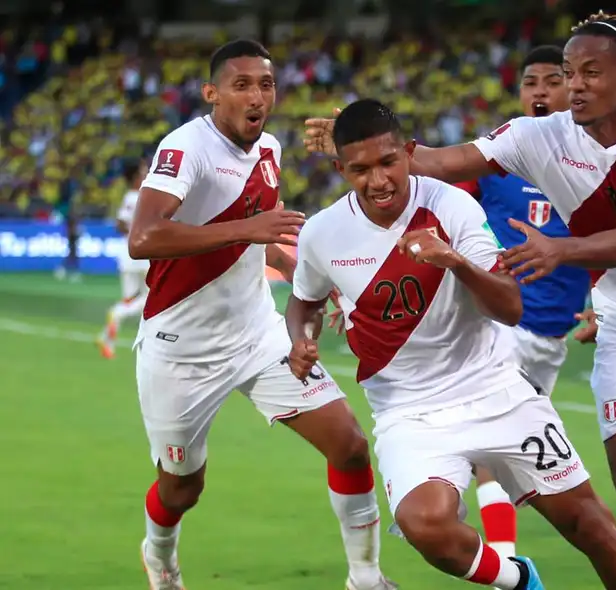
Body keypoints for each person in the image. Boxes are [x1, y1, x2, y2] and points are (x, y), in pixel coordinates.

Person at [302, 11, 616, 590]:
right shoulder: (536, 137)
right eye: (567, 72)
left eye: (589, 73)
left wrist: (558, 251)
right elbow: (440, 161)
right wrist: (370, 144)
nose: (573, 85)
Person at [288, 98, 616, 590]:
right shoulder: (322, 233)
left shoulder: (451, 204)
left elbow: (509, 307)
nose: (378, 180)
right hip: (409, 413)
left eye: (388, 163)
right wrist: (300, 340)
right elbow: (304, 302)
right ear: (339, 169)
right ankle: (518, 580)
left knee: (591, 526)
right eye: (360, 169)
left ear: (409, 152)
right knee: (426, 527)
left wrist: (456, 262)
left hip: (497, 391)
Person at [128, 40, 393, 590]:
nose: (256, 95)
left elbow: (267, 243)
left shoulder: (269, 149)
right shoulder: (185, 148)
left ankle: (366, 578)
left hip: (257, 335)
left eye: (265, 84)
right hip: (182, 351)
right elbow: (144, 237)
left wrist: (325, 287)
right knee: (182, 487)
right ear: (212, 94)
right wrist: (245, 230)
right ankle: (160, 555)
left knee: (348, 443)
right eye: (241, 84)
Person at [452, 44, 592, 563]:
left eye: (550, 80)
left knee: (516, 474)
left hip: (550, 338)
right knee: (489, 452)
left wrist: (602, 300)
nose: (539, 90)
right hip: (495, 327)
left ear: (573, 87)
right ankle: (505, 562)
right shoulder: (493, 160)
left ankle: (483, 536)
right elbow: (432, 194)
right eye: (530, 81)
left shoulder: (592, 163)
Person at [98, 158, 150, 359]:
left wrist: (132, 230)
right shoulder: (139, 196)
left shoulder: (130, 197)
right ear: (137, 175)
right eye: (144, 170)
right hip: (142, 255)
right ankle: (119, 314)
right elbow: (122, 223)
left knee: (130, 299)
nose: (147, 172)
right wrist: (140, 231)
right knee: (150, 298)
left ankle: (106, 339)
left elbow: (120, 223)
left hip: (128, 256)